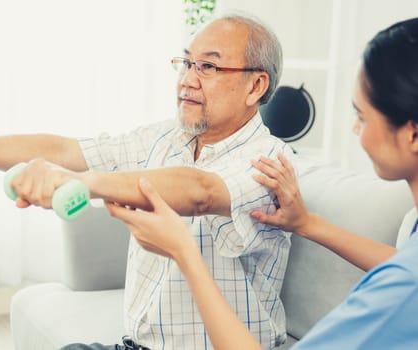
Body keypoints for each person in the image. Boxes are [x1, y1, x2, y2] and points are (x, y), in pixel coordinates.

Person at [0, 13, 294, 350]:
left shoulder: (270, 162)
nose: (187, 79)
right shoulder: (167, 137)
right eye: (186, 63)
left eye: (207, 66)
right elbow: (66, 150)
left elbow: (201, 191)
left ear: (255, 86)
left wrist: (83, 183)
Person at [106, 17, 418, 349]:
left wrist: (184, 252)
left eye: (361, 116)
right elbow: (404, 263)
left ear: (413, 133)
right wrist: (309, 224)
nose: (357, 131)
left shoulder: (399, 294)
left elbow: (406, 278)